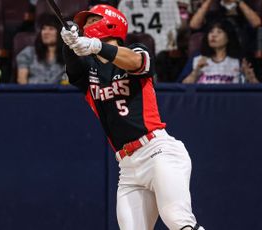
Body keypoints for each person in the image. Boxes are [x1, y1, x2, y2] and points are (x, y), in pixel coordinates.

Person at [61, 4, 205, 230]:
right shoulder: (90, 70)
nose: (85, 27)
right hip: (127, 167)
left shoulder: (137, 50)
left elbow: (136, 62)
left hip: (158, 151)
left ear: (110, 22)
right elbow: (74, 70)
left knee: (177, 220)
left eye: (90, 21)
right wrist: (69, 43)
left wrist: (96, 45)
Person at [179, 19, 258, 83]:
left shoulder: (239, 60)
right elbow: (182, 87)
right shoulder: (197, 58)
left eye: (219, 32)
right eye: (211, 32)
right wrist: (196, 72)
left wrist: (251, 78)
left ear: (228, 37)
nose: (213, 35)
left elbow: (256, 90)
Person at [189, 0, 262, 57]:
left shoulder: (246, 4)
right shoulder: (212, 5)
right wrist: (208, 2)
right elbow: (194, 25)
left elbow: (256, 23)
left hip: (238, 42)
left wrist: (239, 2)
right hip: (212, 45)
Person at [16, 14, 67, 84]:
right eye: (44, 29)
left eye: (51, 29)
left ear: (60, 33)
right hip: (33, 93)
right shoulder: (28, 53)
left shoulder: (67, 55)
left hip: (58, 93)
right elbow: (22, 80)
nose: (46, 32)